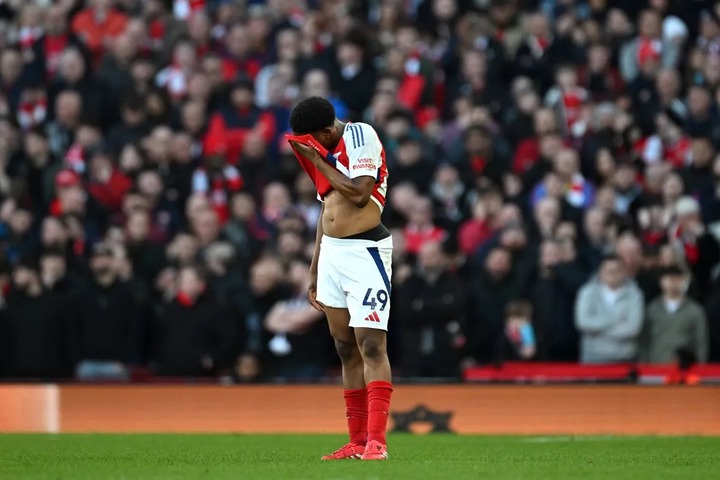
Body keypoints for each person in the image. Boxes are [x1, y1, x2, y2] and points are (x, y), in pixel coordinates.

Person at [287, 96, 392, 460]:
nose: (312, 147)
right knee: (345, 348)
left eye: (316, 139)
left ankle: (377, 442)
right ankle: (357, 440)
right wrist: (315, 268)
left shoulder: (361, 135)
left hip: (366, 251)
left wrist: (318, 159)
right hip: (332, 253)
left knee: (371, 346)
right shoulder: (325, 152)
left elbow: (360, 194)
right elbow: (327, 210)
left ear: (328, 130)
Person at [574, 255, 645, 364]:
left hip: (625, 357)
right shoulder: (587, 292)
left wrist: (598, 332)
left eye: (617, 270)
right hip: (593, 357)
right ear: (600, 272)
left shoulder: (635, 294)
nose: (613, 274)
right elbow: (583, 323)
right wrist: (616, 321)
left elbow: (633, 328)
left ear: (623, 272)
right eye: (609, 271)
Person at [640, 266, 709, 364]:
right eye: (669, 279)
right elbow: (644, 341)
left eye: (677, 279)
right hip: (656, 366)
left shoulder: (695, 310)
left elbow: (701, 342)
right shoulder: (652, 309)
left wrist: (700, 366)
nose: (673, 283)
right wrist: (644, 365)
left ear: (684, 282)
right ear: (661, 282)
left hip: (685, 368)